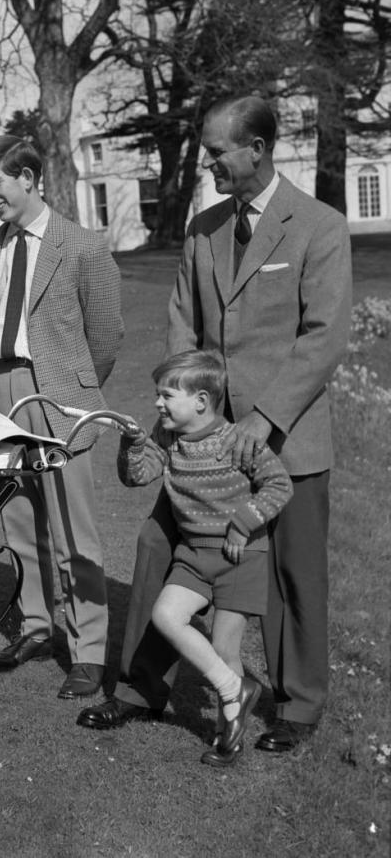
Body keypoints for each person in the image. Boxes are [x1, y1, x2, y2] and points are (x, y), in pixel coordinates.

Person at [79, 95, 352, 752]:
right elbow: (182, 317)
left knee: (291, 573)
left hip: (286, 437)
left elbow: (323, 335)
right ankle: (145, 686)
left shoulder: (319, 225)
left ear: (257, 148)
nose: (210, 165)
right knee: (156, 546)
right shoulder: (203, 230)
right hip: (202, 438)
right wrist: (182, 400)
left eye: (217, 153)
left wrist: (264, 417)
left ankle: (298, 704)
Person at [0, 134, 124, 698]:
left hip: (55, 395)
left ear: (29, 177)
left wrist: (74, 394)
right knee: (17, 522)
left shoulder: (81, 247)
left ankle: (88, 652)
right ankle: (36, 626)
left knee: (71, 528)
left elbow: (106, 336)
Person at [118, 349, 292, 766]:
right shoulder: (167, 439)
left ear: (200, 401)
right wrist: (131, 446)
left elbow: (279, 485)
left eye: (166, 395)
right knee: (165, 616)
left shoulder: (237, 441)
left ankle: (226, 738)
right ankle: (237, 689)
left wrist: (243, 521)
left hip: (241, 556)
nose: (157, 403)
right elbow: (137, 476)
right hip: (193, 556)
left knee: (224, 648)